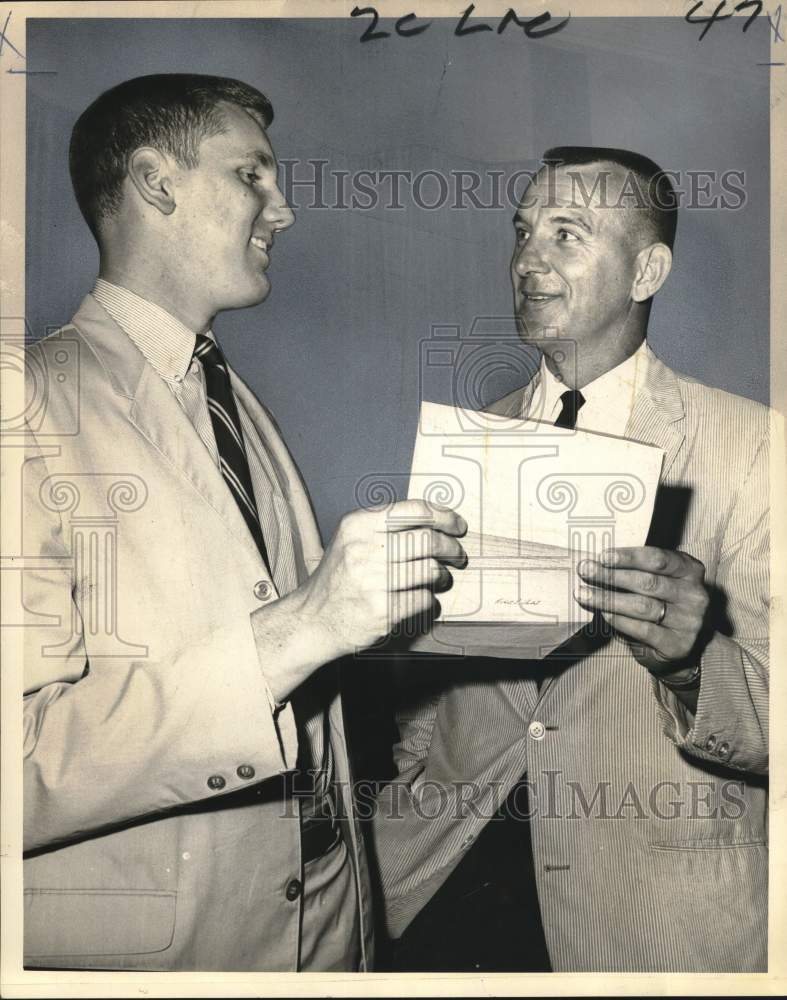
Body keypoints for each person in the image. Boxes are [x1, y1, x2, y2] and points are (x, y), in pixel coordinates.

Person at [21, 73, 466, 972]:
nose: (285, 209)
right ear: (157, 183)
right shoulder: (26, 402)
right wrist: (305, 625)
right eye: (252, 175)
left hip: (327, 936)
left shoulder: (229, 396)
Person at [372, 147, 769, 972]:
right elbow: (425, 684)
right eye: (521, 232)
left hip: (649, 921)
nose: (526, 261)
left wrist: (695, 661)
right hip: (444, 887)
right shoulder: (468, 440)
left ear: (646, 270)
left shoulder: (758, 448)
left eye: (565, 235)